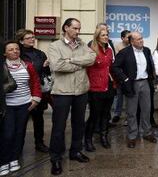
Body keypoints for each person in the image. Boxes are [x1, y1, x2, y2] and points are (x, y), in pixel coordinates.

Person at [48, 18, 96, 175]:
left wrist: (72, 60)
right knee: (59, 126)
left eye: (79, 28)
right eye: (75, 28)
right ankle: (56, 157)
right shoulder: (55, 46)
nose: (78, 31)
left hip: (81, 91)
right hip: (62, 92)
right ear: (66, 28)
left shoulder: (82, 44)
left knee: (79, 124)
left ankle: (75, 151)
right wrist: (80, 64)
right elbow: (57, 65)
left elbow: (92, 59)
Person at [0, 41, 41, 176]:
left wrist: (35, 99)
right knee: (8, 134)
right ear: (5, 53)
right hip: (8, 106)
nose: (15, 51)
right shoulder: (2, 66)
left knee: (19, 133)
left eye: (17, 49)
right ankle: (4, 161)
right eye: (11, 49)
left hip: (24, 104)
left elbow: (35, 82)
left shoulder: (27, 65)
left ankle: (14, 159)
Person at [112, 32, 157, 148]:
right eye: (138, 39)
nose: (141, 41)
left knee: (147, 109)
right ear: (132, 42)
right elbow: (115, 67)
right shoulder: (124, 53)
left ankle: (147, 133)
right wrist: (125, 79)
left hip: (145, 83)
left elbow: (150, 66)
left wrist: (151, 79)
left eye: (142, 38)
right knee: (131, 111)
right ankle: (132, 136)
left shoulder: (146, 50)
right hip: (132, 84)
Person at [15, 29, 51, 153]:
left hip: (38, 90)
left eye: (33, 37)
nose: (32, 39)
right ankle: (18, 146)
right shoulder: (17, 54)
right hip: (22, 91)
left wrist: (46, 67)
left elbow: (46, 73)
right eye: (28, 38)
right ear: (21, 41)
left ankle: (39, 143)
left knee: (38, 118)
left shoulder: (40, 53)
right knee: (21, 120)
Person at [84, 27, 115, 152]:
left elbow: (110, 67)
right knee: (94, 115)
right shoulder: (91, 50)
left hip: (109, 87)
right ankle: (88, 139)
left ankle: (104, 137)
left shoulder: (109, 50)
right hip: (95, 88)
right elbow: (86, 70)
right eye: (103, 35)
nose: (106, 37)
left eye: (107, 34)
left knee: (106, 114)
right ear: (97, 37)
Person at [112, 29, 130, 124]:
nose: (130, 38)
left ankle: (128, 116)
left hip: (129, 75)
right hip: (119, 75)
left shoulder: (132, 45)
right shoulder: (117, 46)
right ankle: (117, 114)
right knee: (119, 96)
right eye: (128, 37)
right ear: (122, 38)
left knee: (129, 97)